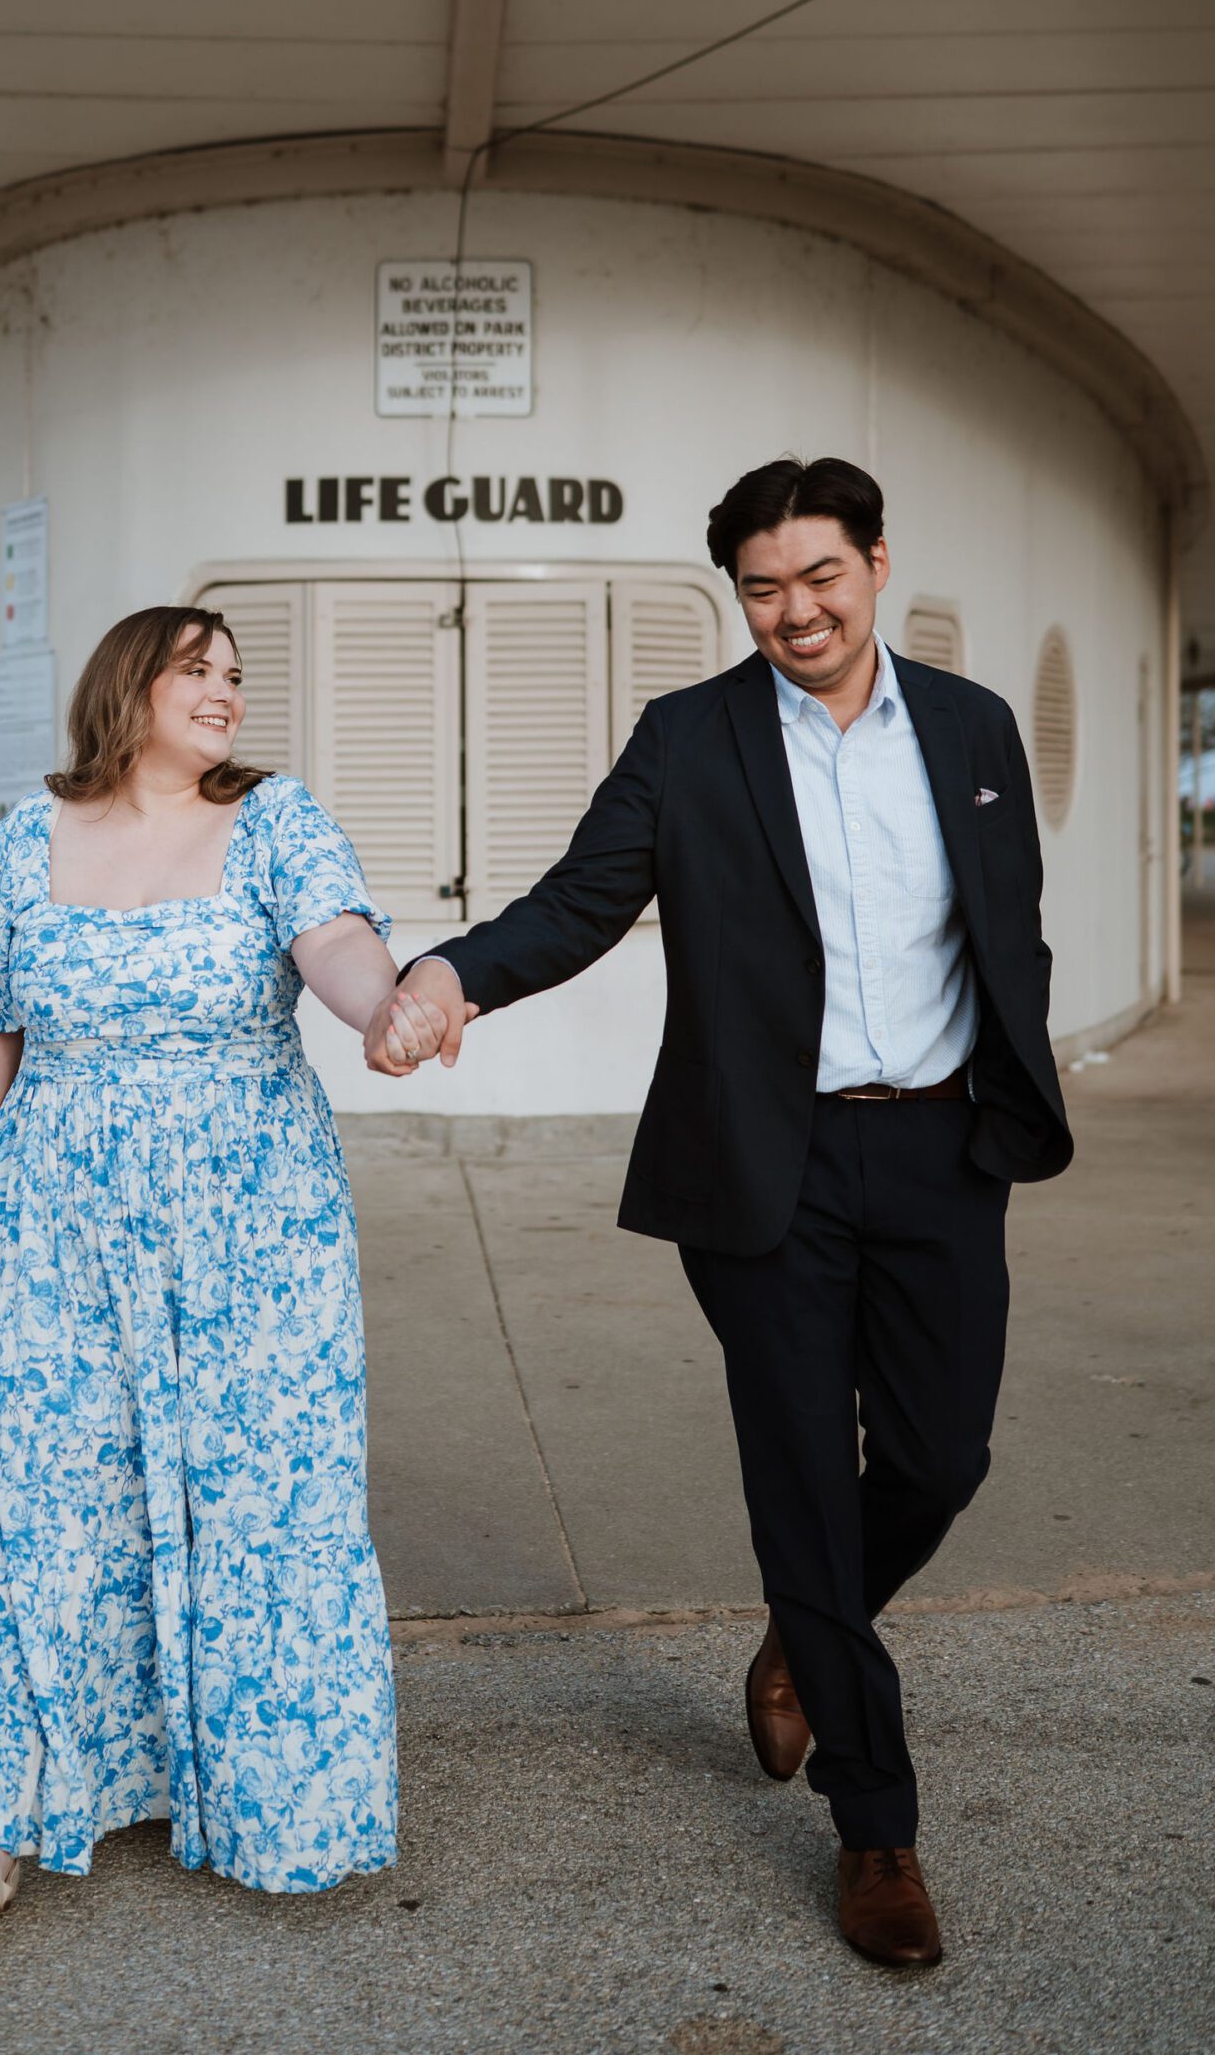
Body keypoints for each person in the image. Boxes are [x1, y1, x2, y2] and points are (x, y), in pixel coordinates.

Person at [366, 456, 1071, 1967]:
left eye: (821, 576)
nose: (795, 611)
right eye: (762, 587)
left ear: (879, 561)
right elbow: (579, 901)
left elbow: (1010, 929)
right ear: (736, 594)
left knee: (943, 1459)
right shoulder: (689, 742)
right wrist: (446, 973)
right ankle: (877, 1829)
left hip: (943, 1152)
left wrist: (1017, 1080)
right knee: (809, 1479)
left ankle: (804, 1633)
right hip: (769, 1167)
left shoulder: (971, 727)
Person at [0, 604, 425, 1915]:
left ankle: (279, 1809)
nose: (226, 693)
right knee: (42, 1493)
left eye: (237, 676)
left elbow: (336, 947)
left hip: (252, 1217)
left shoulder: (274, 821)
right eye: (197, 669)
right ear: (127, 685)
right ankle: (3, 1812)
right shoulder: (26, 838)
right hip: (53, 1212)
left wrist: (395, 1007)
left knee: (263, 1497)